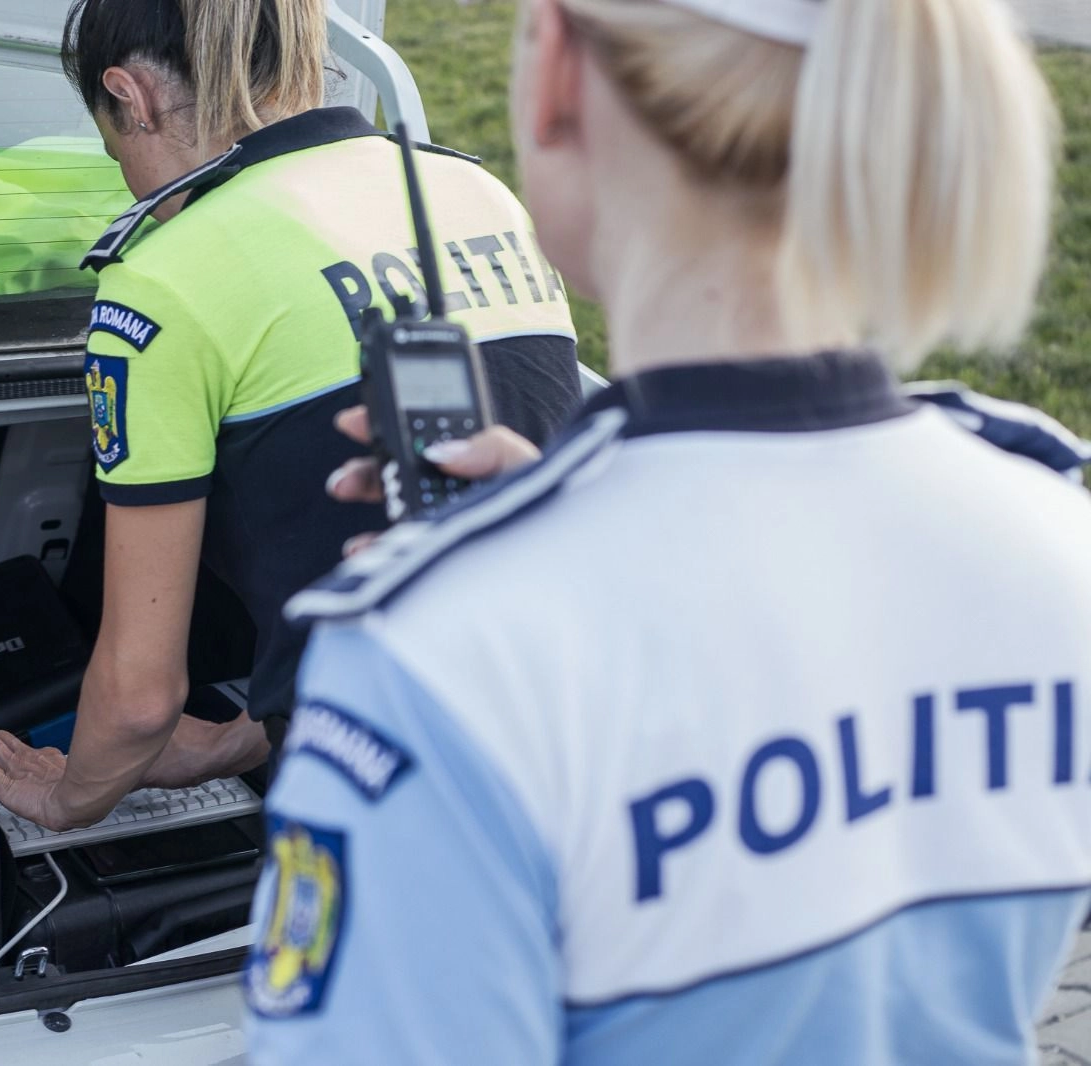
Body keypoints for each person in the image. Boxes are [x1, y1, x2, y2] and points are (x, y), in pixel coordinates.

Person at [246, 0, 1091, 1062]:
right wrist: (565, 530)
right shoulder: (1051, 527)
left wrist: (541, 559)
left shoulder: (434, 662)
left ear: (558, 71)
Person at [0, 0, 584, 828]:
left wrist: (66, 798)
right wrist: (235, 741)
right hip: (577, 731)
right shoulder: (473, 192)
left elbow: (141, 697)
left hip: (387, 781)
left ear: (131, 97)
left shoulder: (161, 282)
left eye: (115, 150)